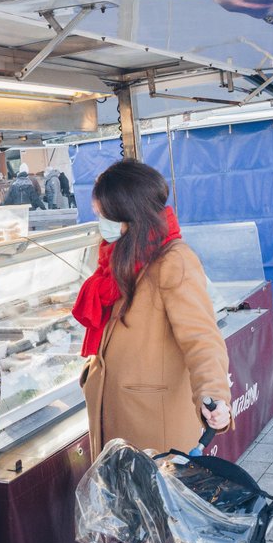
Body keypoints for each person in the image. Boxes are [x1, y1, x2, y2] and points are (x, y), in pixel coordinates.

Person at [74, 159, 233, 454]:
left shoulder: (172, 259)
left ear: (131, 213)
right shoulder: (117, 255)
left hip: (150, 422)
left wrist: (214, 394)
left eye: (105, 215)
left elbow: (201, 337)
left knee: (150, 499)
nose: (101, 223)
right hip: (113, 415)